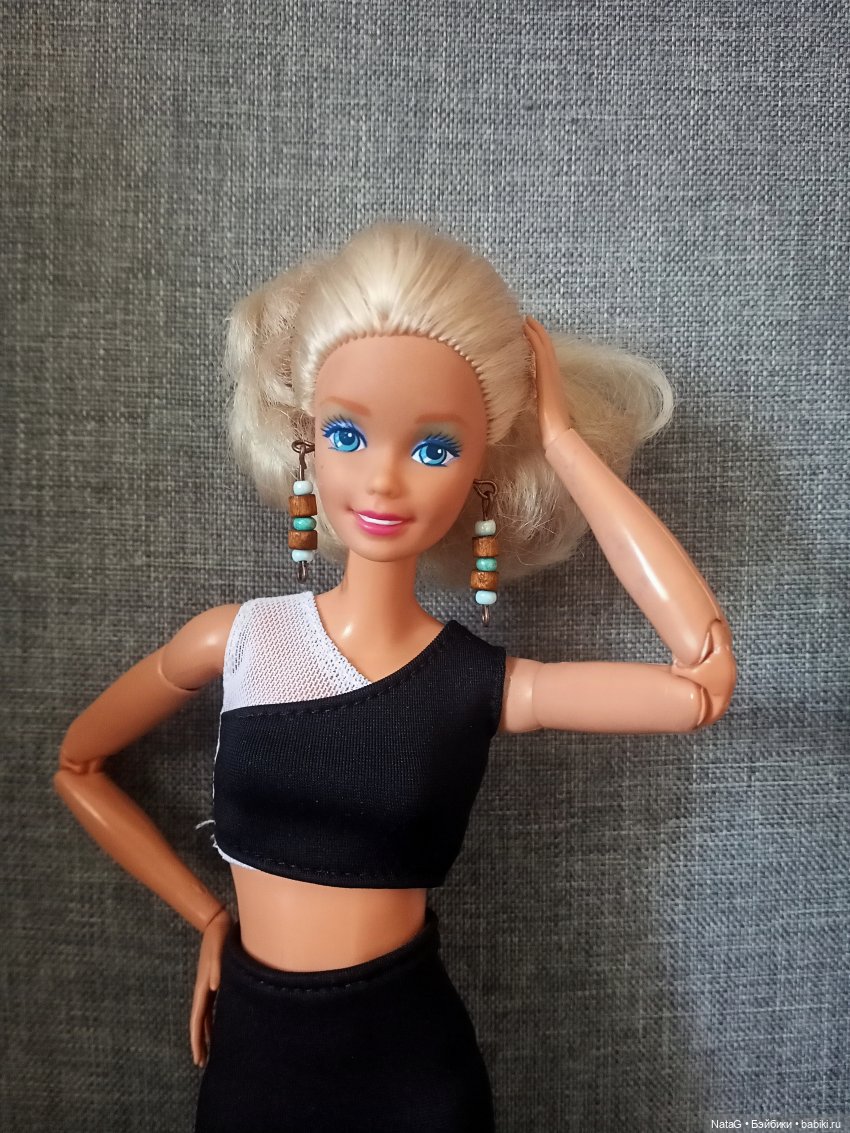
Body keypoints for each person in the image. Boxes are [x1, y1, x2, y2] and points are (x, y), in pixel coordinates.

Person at [54, 222, 736, 1131]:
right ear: (306, 441)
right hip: (252, 1049)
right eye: (347, 432)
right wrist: (208, 917)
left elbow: (700, 682)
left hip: (409, 1065)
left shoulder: (475, 682)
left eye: (436, 448)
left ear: (481, 472)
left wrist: (564, 443)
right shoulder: (238, 642)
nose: (382, 481)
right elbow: (78, 765)